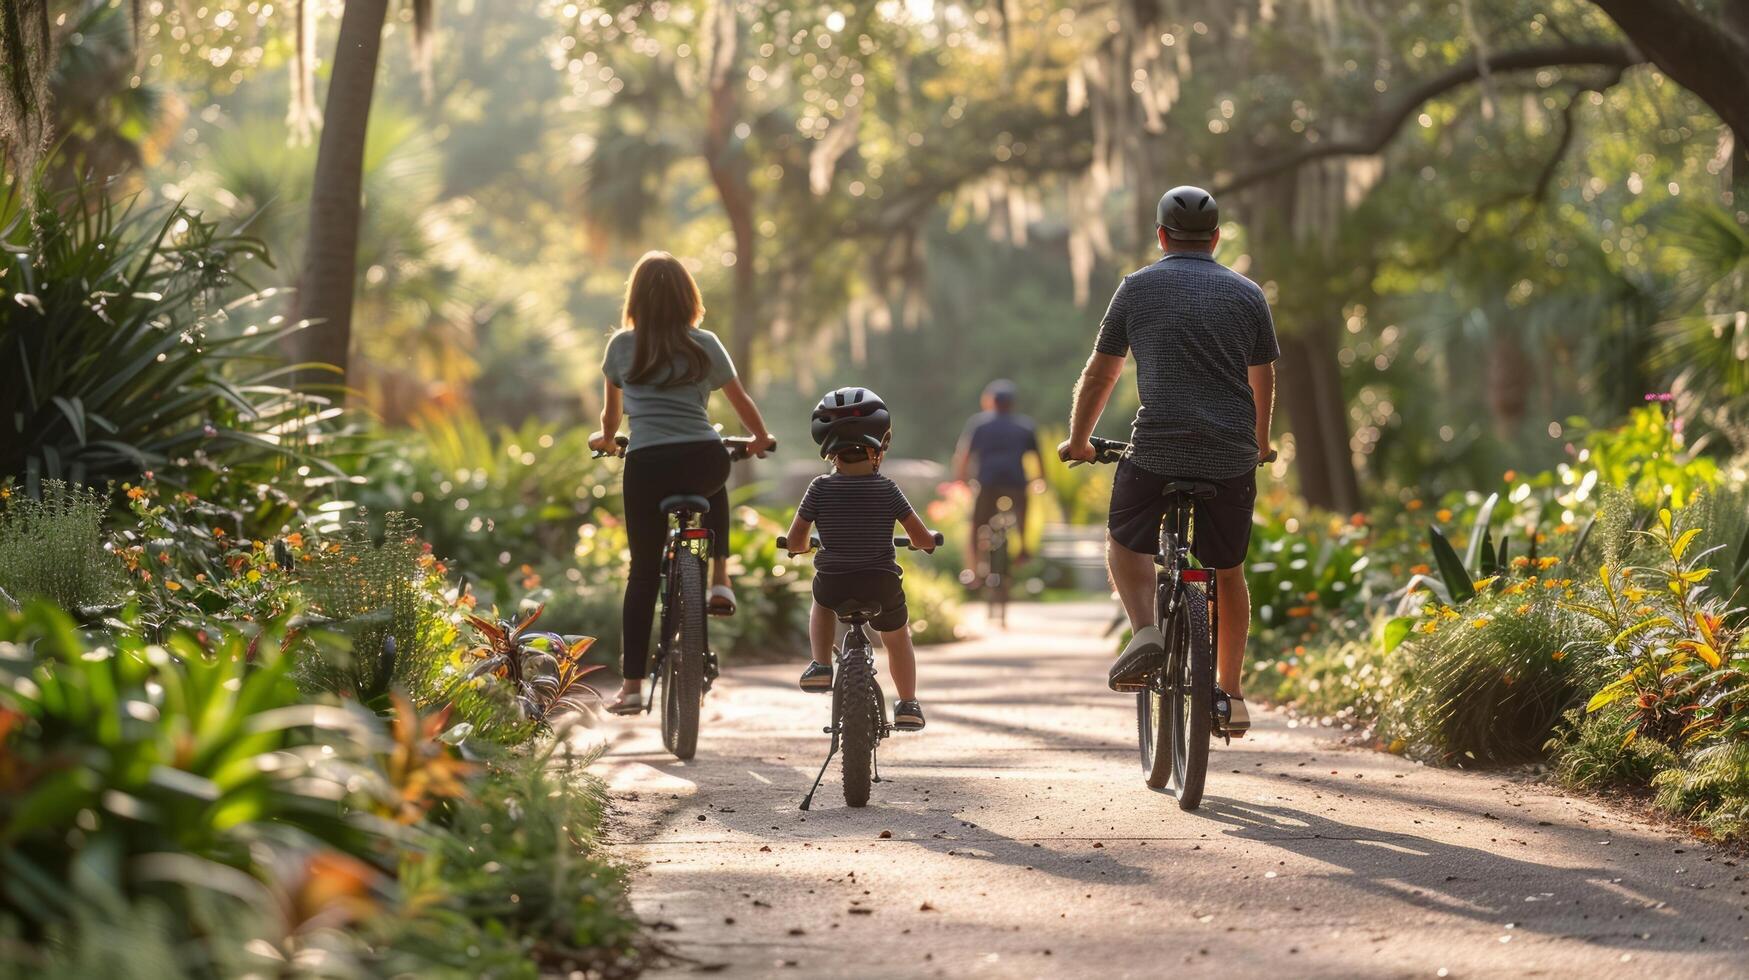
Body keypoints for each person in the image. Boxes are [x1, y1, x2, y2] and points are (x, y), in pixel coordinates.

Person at [1057, 186, 1277, 737]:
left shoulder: (1137, 289)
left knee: (1124, 541)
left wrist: (1079, 441)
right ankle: (1231, 693)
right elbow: (1263, 376)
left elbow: (1102, 373)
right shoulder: (1247, 293)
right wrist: (1260, 441)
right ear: (1216, 238)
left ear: (1161, 236)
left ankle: (1146, 632)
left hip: (1157, 449)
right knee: (1227, 571)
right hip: (1230, 456)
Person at [590, 250, 776, 715]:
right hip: (702, 456)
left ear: (635, 298)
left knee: (643, 572)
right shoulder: (704, 343)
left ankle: (631, 688)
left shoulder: (621, 348)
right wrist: (759, 438)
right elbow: (741, 399)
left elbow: (611, 423)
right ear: (688, 297)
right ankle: (719, 579)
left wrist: (606, 440)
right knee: (716, 479)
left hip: (648, 464)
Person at [783, 387, 937, 732]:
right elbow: (920, 536)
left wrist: (798, 548)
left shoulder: (819, 488)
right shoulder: (888, 489)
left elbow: (796, 539)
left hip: (835, 582)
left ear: (826, 447)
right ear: (880, 446)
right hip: (881, 582)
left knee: (820, 602)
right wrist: (927, 543)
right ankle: (909, 703)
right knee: (898, 638)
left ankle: (821, 664)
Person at [953, 379, 1043, 580]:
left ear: (991, 402)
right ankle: (1024, 549)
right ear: (1012, 403)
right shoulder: (1025, 426)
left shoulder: (979, 424)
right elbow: (1038, 458)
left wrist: (961, 479)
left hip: (988, 482)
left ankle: (974, 571)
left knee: (977, 524)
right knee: (1022, 512)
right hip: (1016, 482)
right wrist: (1040, 479)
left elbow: (964, 456)